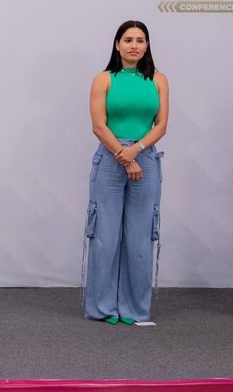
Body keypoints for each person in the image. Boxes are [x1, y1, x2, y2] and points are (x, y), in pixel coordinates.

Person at [84, 20, 169, 324]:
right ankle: (103, 307)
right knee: (105, 236)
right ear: (117, 44)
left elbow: (161, 125)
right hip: (110, 158)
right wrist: (124, 154)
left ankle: (135, 308)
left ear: (147, 45)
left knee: (139, 237)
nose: (135, 45)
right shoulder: (104, 79)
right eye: (128, 39)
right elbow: (98, 125)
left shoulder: (158, 80)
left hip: (145, 159)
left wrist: (137, 150)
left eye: (141, 40)